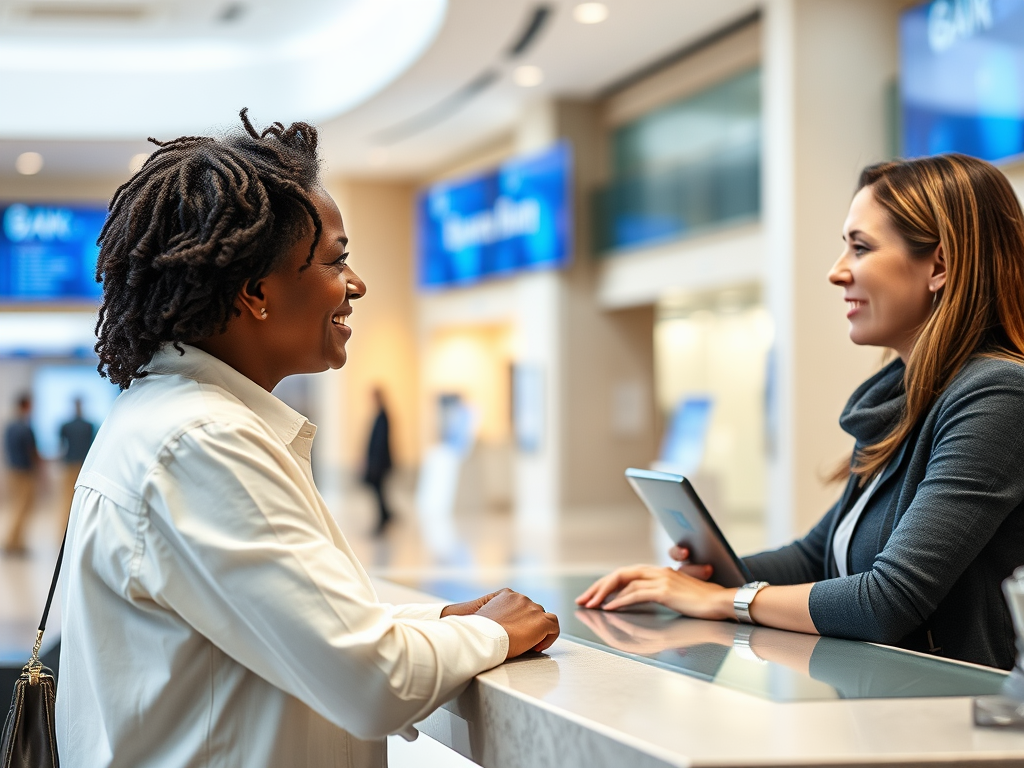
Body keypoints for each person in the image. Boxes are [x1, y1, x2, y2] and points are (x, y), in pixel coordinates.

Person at [57, 110, 559, 768]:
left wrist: (440, 625)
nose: (356, 285)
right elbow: (373, 681)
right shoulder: (204, 441)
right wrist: (492, 633)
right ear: (258, 292)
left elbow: (282, 628)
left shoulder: (162, 417)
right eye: (335, 260)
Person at [578, 153, 1024, 670]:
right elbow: (820, 555)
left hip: (959, 718)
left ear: (940, 266)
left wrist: (724, 601)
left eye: (860, 248)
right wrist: (704, 577)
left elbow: (887, 601)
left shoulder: (998, 395)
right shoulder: (903, 397)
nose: (837, 273)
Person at [3, 393, 39, 554]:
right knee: (22, 507)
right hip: (24, 472)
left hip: (12, 470)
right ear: (26, 405)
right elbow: (32, 452)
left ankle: (16, 541)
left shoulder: (10, 426)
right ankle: (11, 542)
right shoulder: (25, 427)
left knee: (16, 505)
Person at [57, 397, 95, 532]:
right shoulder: (89, 426)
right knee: (82, 498)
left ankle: (64, 529)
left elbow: (61, 447)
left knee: (67, 498)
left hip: (70, 464)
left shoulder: (66, 426)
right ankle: (78, 529)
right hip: (83, 465)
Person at [363, 386, 394, 535]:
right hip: (377, 462)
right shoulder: (379, 415)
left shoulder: (383, 415)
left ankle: (385, 517)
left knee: (379, 491)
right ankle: (387, 515)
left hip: (379, 463)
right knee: (379, 492)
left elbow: (380, 443)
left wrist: (374, 463)